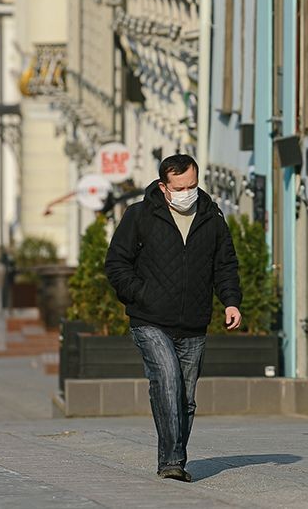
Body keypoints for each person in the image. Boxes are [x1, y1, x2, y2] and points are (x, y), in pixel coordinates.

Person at [104, 154, 242, 483]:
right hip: (150, 320)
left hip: (194, 322)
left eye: (193, 185)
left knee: (186, 399)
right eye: (180, 187)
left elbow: (225, 265)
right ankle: (171, 462)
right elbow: (117, 263)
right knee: (167, 382)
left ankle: (175, 455)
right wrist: (140, 294)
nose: (188, 192)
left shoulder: (211, 217)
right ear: (165, 187)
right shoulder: (140, 215)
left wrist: (231, 302)